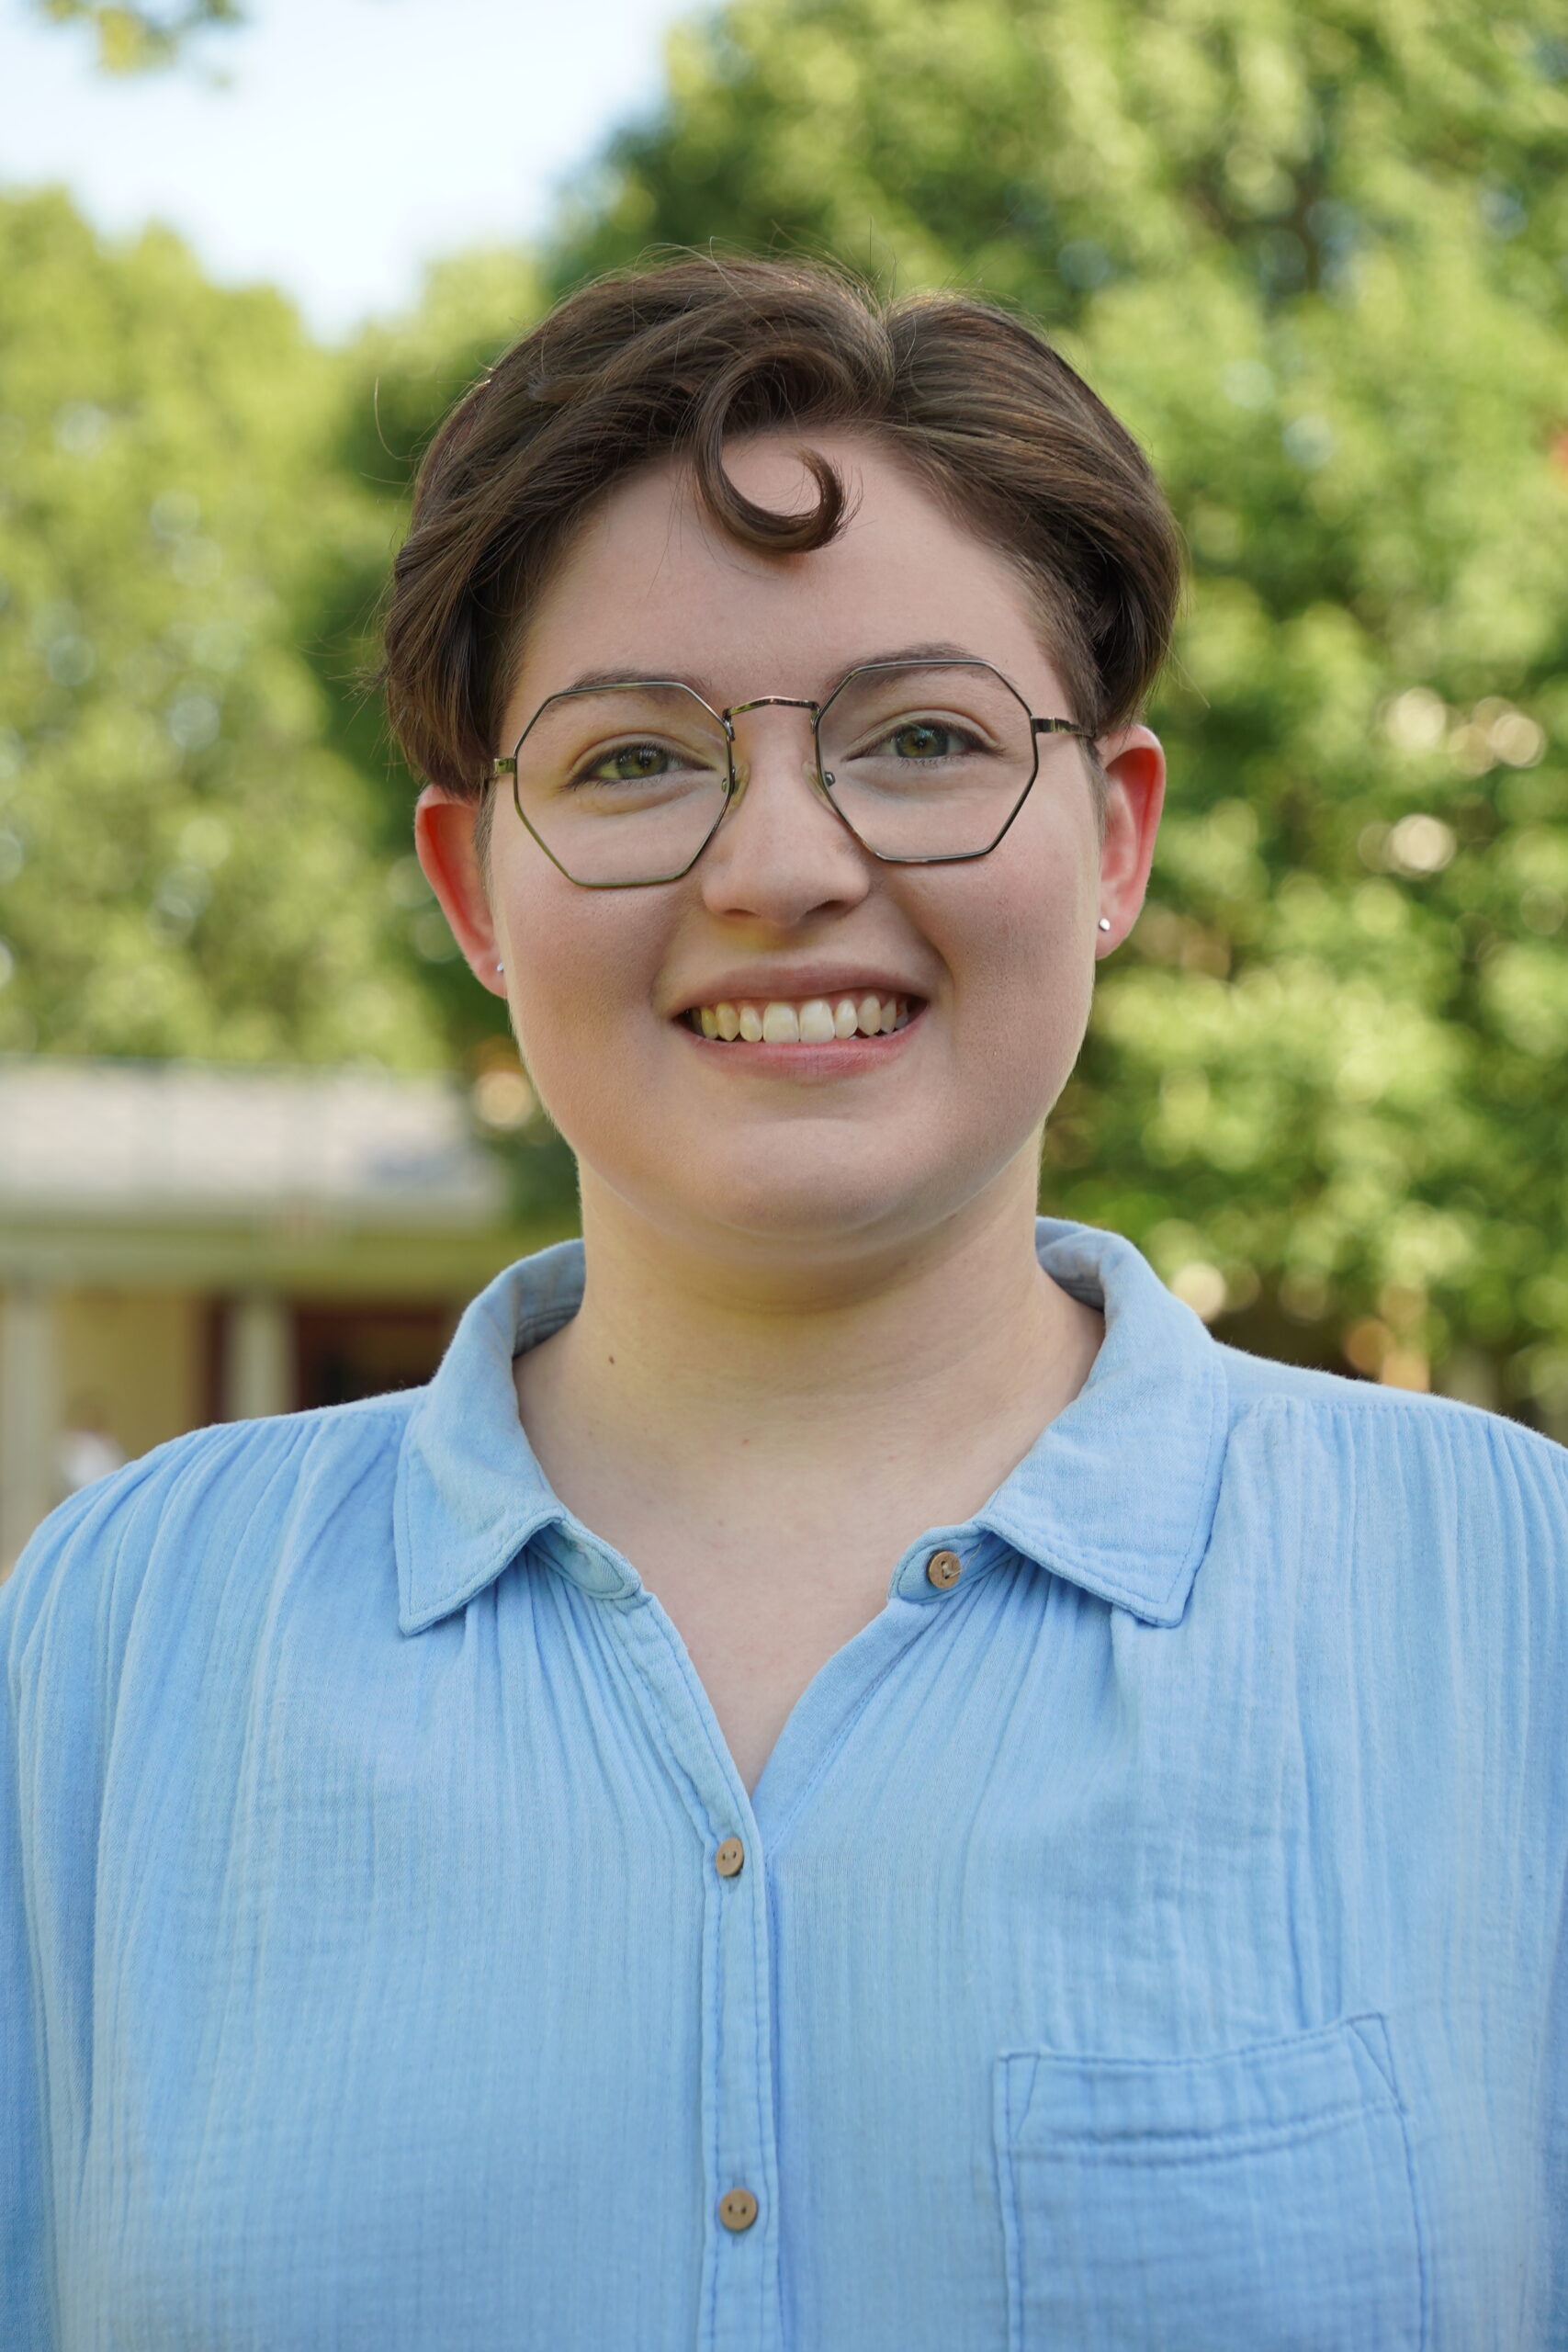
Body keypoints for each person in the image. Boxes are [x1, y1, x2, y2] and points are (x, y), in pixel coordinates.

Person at [2, 255, 1563, 2352]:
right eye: (633, 761)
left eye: (917, 736)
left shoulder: (1509, 1605)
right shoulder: (116, 1641)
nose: (776, 862)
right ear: (476, 888)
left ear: (1111, 838)